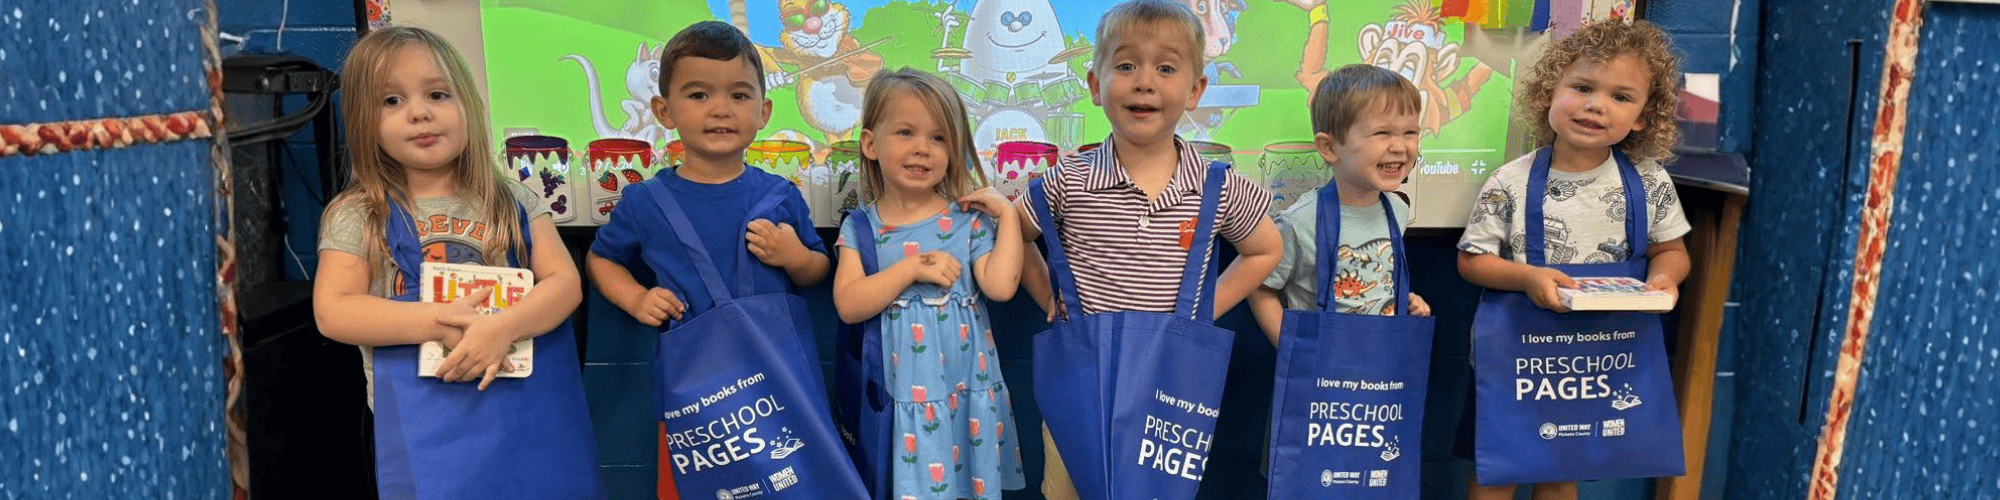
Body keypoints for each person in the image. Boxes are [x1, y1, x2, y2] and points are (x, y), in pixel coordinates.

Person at [313, 26, 602, 498]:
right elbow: (334, 310)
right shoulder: (360, 213)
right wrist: (436, 320)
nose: (420, 112)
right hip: (425, 433)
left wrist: (503, 327)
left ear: (468, 103)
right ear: (363, 120)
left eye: (437, 94)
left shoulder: (511, 200)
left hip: (527, 425)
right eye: (391, 101)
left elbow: (565, 284)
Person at [1011, 1, 1282, 497]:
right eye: (1126, 65)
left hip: (1168, 387)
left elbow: (1265, 249)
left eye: (1166, 67)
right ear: (1095, 85)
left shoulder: (1217, 186)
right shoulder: (1066, 181)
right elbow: (1015, 231)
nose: (1144, 81)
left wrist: (1202, 314)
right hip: (1081, 383)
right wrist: (1049, 295)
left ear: (1196, 90)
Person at [584, 20, 846, 499]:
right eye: (699, 95)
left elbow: (818, 270)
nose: (721, 109)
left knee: (796, 481)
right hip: (700, 389)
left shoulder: (779, 194)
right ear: (664, 110)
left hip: (779, 376)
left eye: (740, 96)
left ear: (764, 112)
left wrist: (793, 257)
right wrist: (637, 298)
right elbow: (601, 260)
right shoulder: (645, 202)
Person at [1455, 19, 1690, 500]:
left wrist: (1665, 281)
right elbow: (1472, 261)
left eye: (1621, 97)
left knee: (1563, 472)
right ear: (1548, 94)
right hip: (1516, 361)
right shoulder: (1510, 181)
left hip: (1597, 360)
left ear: (1643, 116)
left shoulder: (1649, 181)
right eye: (1582, 87)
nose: (1596, 105)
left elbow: (1672, 251)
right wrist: (1526, 277)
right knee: (1495, 474)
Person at [831, 68, 1028, 500]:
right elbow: (848, 304)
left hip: (963, 396)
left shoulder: (967, 220)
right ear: (870, 144)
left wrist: (1007, 215)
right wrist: (910, 269)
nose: (923, 149)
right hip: (899, 400)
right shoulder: (861, 228)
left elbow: (1001, 286)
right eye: (905, 132)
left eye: (939, 138)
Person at [1248, 63, 1434, 345]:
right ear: (1330, 147)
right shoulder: (1300, 222)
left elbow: (1377, 282)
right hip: (1321, 375)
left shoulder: (1398, 210)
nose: (1400, 147)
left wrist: (1405, 301)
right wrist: (1291, 348)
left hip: (1381, 365)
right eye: (1383, 133)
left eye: (1410, 132)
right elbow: (1260, 289)